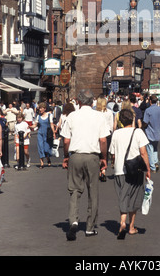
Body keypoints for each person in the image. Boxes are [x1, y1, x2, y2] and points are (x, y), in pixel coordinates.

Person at [60, 89, 109, 241]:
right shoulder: (99, 117)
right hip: (92, 156)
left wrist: (66, 156)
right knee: (92, 191)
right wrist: (104, 158)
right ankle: (89, 227)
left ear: (79, 102)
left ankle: (74, 220)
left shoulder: (72, 116)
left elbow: (66, 141)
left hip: (75, 155)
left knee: (74, 190)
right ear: (92, 101)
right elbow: (103, 140)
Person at [109, 108, 150, 239]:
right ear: (132, 119)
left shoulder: (116, 134)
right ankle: (131, 226)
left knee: (123, 196)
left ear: (120, 121)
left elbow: (113, 154)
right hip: (135, 170)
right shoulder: (138, 132)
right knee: (134, 197)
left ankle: (122, 222)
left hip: (119, 171)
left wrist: (114, 163)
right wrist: (148, 170)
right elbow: (143, 152)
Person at [30, 102, 55, 168]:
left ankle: (48, 158)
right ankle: (42, 163)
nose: (40, 109)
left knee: (46, 148)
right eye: (39, 108)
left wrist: (54, 133)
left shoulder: (49, 115)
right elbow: (35, 125)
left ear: (45, 108)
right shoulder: (38, 116)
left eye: (41, 108)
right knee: (40, 147)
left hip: (47, 134)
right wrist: (30, 127)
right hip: (40, 133)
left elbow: (52, 125)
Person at [96, 94, 114, 181]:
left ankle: (98, 170)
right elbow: (111, 125)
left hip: (97, 134)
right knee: (105, 153)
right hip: (107, 134)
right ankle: (103, 171)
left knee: (97, 152)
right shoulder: (109, 112)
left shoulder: (95, 113)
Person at [142, 95, 160, 173]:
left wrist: (142, 128)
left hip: (150, 132)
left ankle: (152, 167)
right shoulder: (159, 109)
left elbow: (145, 122)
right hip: (158, 131)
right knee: (155, 148)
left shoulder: (148, 110)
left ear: (150, 101)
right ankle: (155, 162)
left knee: (150, 149)